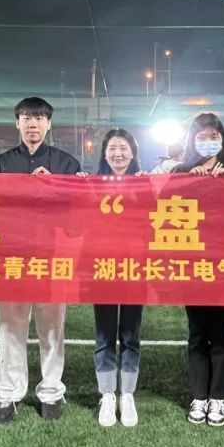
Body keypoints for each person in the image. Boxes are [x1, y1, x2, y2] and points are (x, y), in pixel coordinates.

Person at [0, 97, 80, 424]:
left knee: (52, 329)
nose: (33, 123)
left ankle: (51, 392)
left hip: (52, 258)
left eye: (39, 118)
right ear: (17, 123)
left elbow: (76, 219)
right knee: (10, 329)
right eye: (26, 117)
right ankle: (8, 395)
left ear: (49, 124)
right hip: (11, 259)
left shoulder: (67, 165)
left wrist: (54, 188)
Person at [173, 113, 224, 427]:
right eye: (201, 136)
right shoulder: (180, 172)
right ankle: (199, 396)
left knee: (220, 332)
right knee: (197, 333)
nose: (207, 141)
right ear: (192, 140)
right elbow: (162, 207)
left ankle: (218, 398)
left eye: (213, 135)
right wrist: (191, 182)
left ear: (222, 139)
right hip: (191, 264)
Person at [92, 128, 145, 427]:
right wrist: (81, 186)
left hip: (135, 268)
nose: (118, 154)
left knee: (130, 334)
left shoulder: (145, 183)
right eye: (112, 148)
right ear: (104, 153)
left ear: (133, 152)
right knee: (104, 333)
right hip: (102, 268)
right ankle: (107, 394)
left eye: (123, 148)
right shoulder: (92, 185)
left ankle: (127, 394)